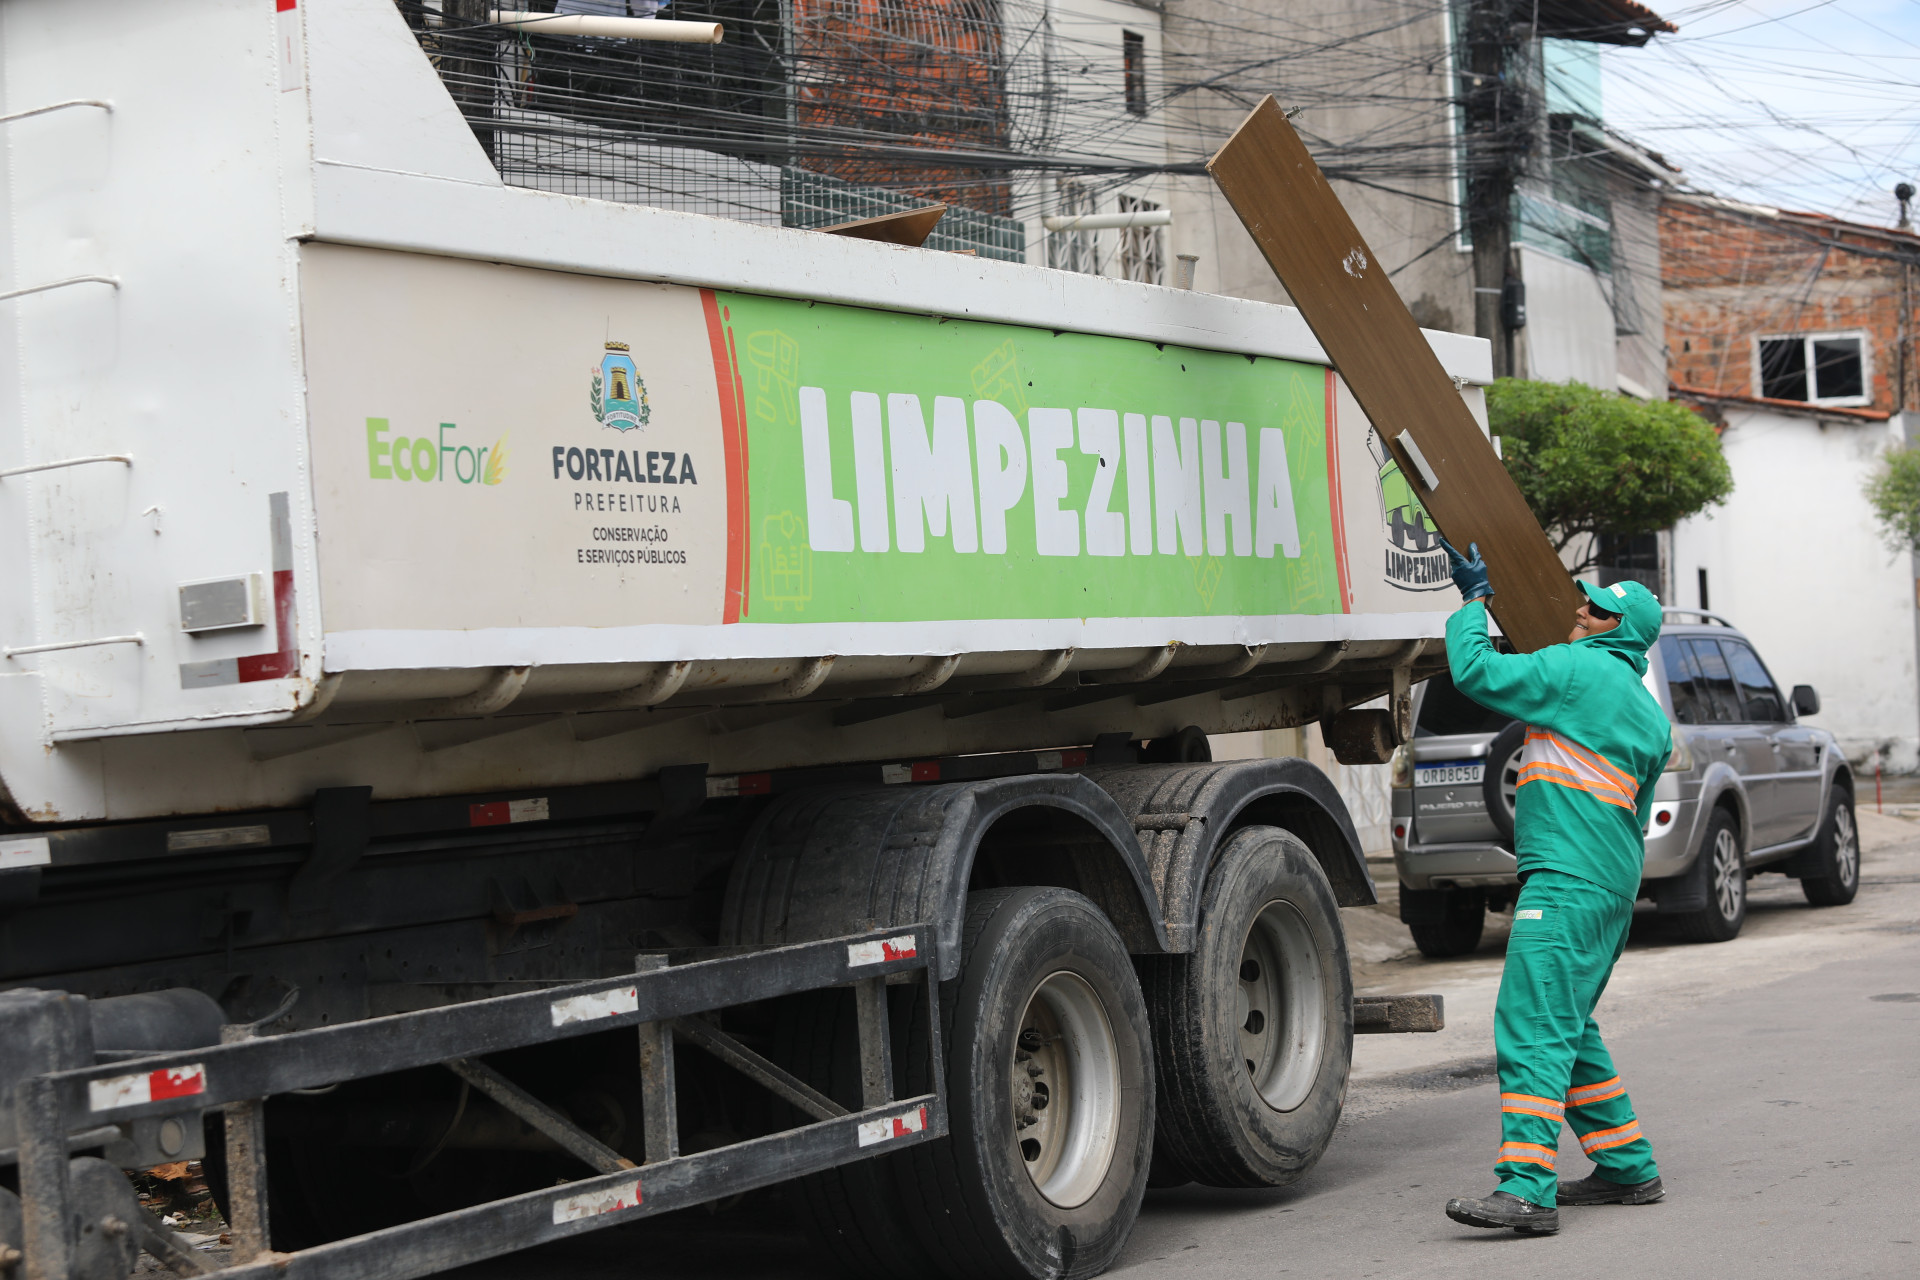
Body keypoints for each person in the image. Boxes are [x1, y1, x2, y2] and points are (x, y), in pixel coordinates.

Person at [1436, 538, 1672, 1236]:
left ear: (1615, 630)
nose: (1578, 610)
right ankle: (1628, 1166)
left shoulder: (1575, 672)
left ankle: (1526, 1189)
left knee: (1532, 1024)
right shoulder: (1648, 715)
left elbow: (1475, 672)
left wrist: (1472, 602)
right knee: (1567, 1022)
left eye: (1594, 610)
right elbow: (1631, 806)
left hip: (1565, 878)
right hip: (1609, 888)